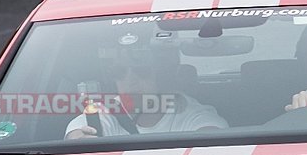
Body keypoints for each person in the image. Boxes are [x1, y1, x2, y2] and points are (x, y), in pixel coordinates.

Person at [65, 36, 227, 139]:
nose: (130, 81)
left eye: (141, 71)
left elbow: (214, 136)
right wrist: (80, 139)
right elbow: (76, 134)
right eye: (119, 72)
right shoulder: (103, 112)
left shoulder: (189, 113)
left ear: (163, 76)